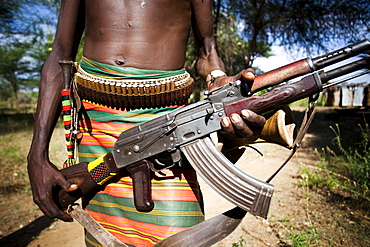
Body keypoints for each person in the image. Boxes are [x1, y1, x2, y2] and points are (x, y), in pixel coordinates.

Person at [27, 0, 266, 246]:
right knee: (104, 237)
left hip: (166, 128)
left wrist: (217, 78)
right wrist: (37, 155)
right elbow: (60, 54)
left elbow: (207, 51)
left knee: (179, 238)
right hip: (97, 127)